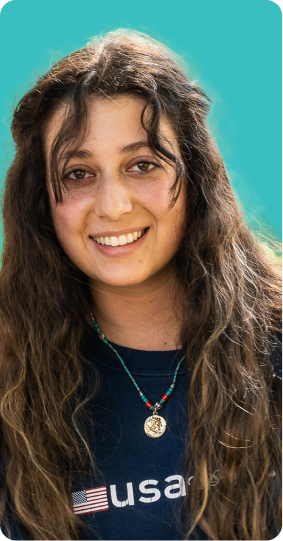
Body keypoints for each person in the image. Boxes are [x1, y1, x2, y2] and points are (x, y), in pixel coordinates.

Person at [0, 28, 282, 541]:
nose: (113, 205)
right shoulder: (10, 374)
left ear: (195, 175)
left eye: (143, 165)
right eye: (79, 173)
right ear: (42, 201)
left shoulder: (277, 339)